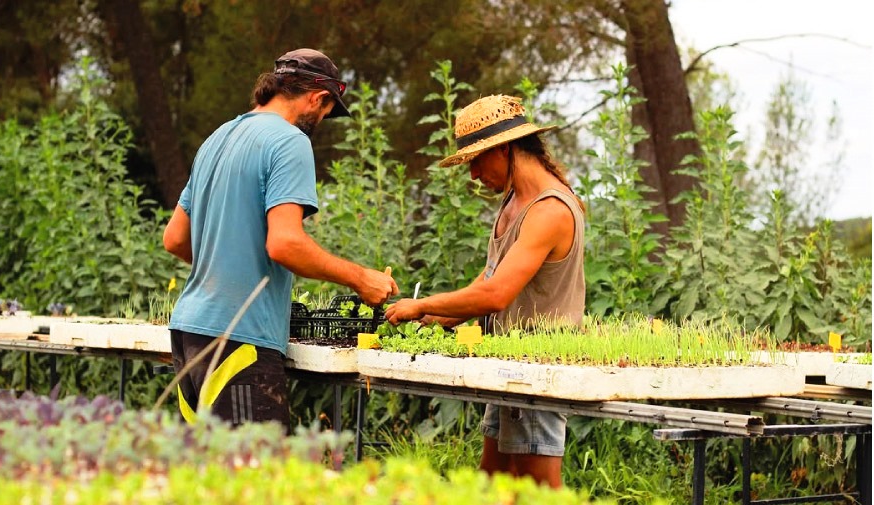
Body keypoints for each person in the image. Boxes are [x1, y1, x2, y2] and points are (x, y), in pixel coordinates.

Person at [163, 48, 399, 429]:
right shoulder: (289, 141)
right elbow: (285, 243)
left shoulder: (217, 138)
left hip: (189, 334)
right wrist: (360, 278)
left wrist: (228, 262)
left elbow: (174, 238)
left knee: (206, 476)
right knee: (258, 479)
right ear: (318, 98)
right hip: (239, 339)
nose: (321, 120)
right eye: (325, 112)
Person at [385, 95, 585, 488]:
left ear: (505, 148)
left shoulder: (549, 211)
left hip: (536, 370)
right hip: (508, 363)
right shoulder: (514, 199)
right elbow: (489, 277)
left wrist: (422, 302)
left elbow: (496, 295)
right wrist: (434, 316)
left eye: (476, 160)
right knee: (493, 484)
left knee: (538, 493)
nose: (473, 174)